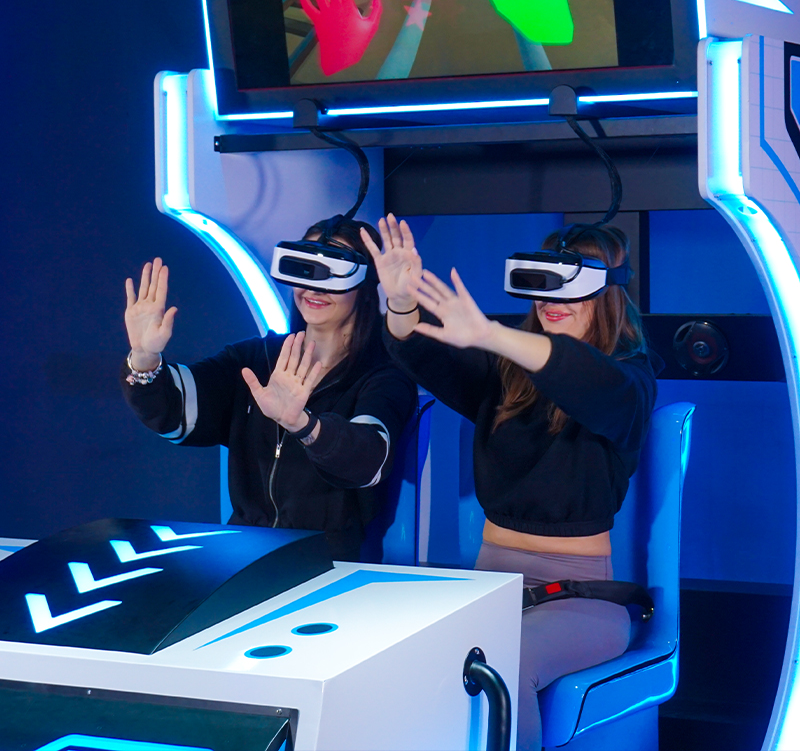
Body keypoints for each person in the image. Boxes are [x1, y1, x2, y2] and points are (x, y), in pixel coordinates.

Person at [361, 214, 660, 751]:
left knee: (500, 664)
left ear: (607, 292)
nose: (551, 300)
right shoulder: (505, 376)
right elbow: (422, 352)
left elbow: (589, 381)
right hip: (492, 584)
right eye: (543, 283)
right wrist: (400, 301)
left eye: (570, 285)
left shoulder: (630, 380)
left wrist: (492, 334)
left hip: (580, 596)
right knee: (394, 655)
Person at [121, 218, 417, 562]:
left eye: (333, 273)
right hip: (244, 553)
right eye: (305, 269)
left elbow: (367, 461)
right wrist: (144, 358)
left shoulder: (382, 375)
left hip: (331, 562)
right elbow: (175, 413)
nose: (314, 289)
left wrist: (304, 425)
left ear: (364, 284)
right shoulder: (255, 358)